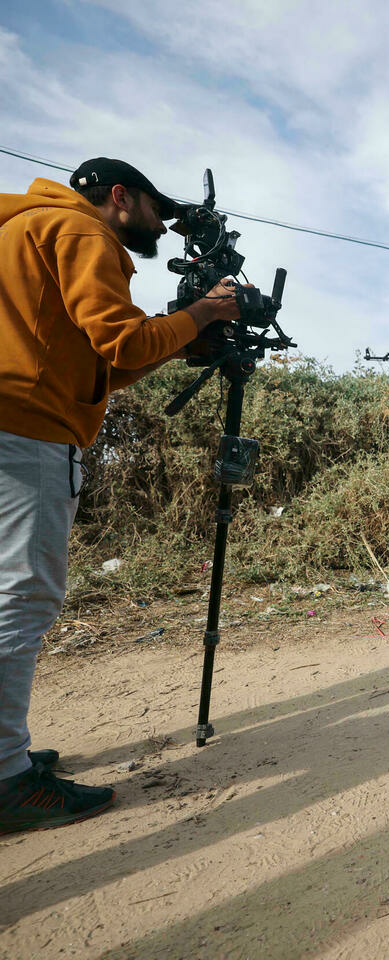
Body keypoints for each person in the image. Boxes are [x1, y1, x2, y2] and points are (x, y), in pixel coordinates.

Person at [0, 158, 243, 833]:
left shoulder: (22, 227)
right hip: (25, 427)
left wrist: (183, 328)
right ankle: (5, 781)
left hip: (13, 417)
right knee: (22, 595)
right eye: (154, 209)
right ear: (118, 198)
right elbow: (121, 340)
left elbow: (108, 362)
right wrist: (202, 314)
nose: (163, 223)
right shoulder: (82, 234)